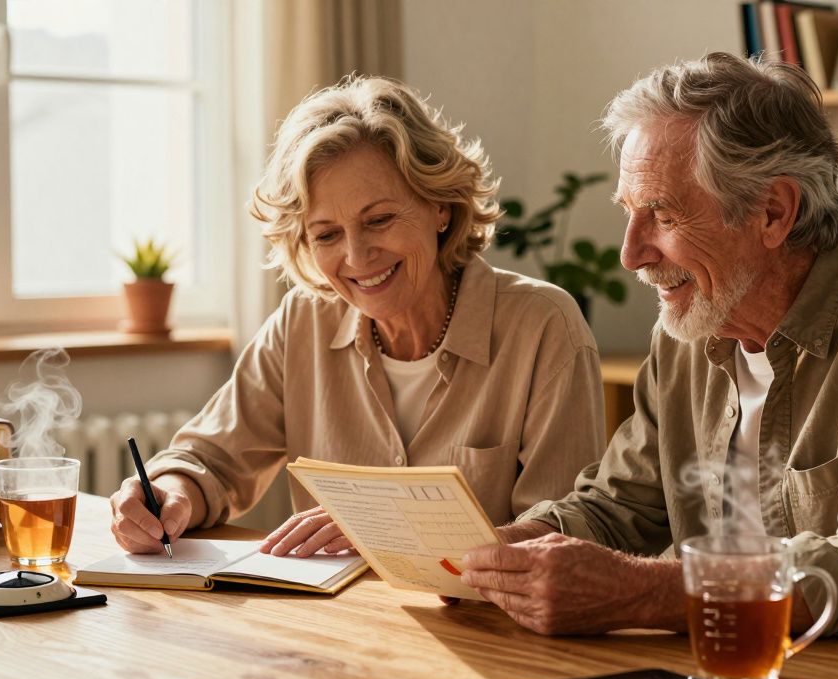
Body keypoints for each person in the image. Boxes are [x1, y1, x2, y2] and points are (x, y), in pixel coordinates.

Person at [459, 52, 838, 656]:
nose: (630, 254)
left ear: (774, 212)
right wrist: (506, 548)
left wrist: (641, 590)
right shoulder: (688, 329)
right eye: (628, 214)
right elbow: (621, 505)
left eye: (661, 215)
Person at [109, 77, 606, 558]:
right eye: (326, 235)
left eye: (379, 220)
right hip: (341, 628)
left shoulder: (544, 326)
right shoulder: (302, 322)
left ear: (440, 208)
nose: (357, 255)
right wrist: (170, 492)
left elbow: (564, 540)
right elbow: (210, 460)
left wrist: (383, 525)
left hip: (489, 632)